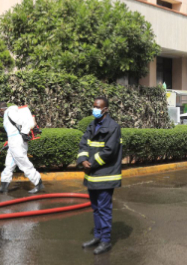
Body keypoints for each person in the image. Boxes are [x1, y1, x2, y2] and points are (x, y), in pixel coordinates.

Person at [78, 96, 122, 255]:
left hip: (105, 176)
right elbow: (83, 143)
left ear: (106, 109)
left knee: (104, 210)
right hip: (92, 176)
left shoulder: (113, 127)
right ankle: (97, 237)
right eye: (94, 106)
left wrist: (91, 164)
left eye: (98, 107)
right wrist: (82, 159)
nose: (95, 109)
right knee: (95, 208)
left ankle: (105, 240)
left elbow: (109, 151)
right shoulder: (92, 124)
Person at [0, 101, 42, 195]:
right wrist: (10, 141)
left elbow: (24, 122)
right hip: (13, 142)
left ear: (1, 109)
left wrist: (23, 133)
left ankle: (38, 183)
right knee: (9, 164)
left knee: (23, 163)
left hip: (17, 142)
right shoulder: (8, 114)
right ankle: (4, 186)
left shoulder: (10, 112)